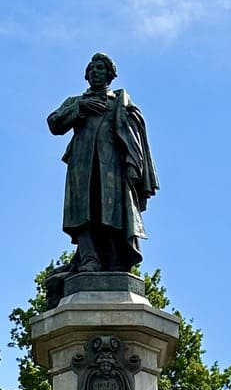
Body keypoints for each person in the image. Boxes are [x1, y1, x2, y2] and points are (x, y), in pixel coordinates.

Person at [47, 53, 158, 272]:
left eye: (101, 68)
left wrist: (132, 165)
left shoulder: (120, 103)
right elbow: (54, 123)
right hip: (82, 165)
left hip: (113, 167)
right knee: (84, 212)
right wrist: (80, 109)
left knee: (112, 211)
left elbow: (133, 137)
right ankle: (89, 258)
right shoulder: (76, 101)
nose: (96, 72)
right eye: (92, 69)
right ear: (87, 75)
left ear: (110, 75)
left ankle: (114, 259)